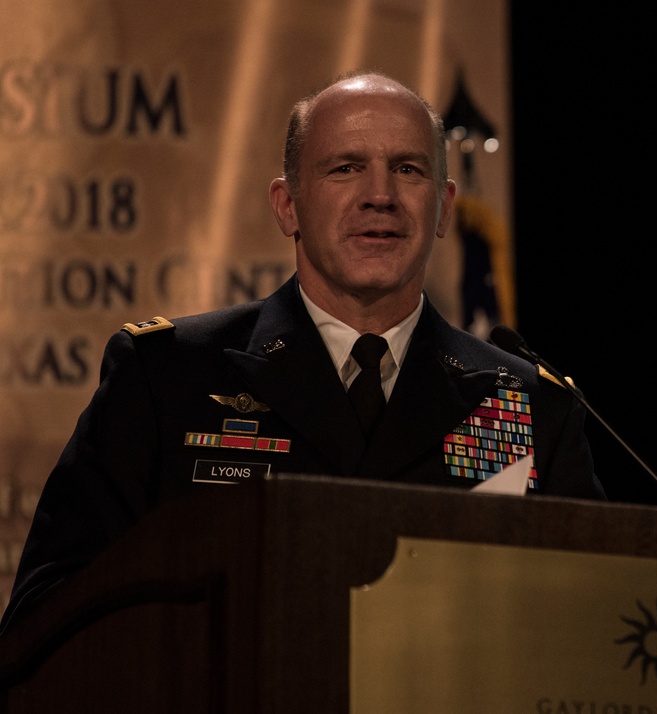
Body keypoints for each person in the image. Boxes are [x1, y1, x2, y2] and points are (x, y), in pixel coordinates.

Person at [0, 70, 606, 633]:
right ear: (287, 206)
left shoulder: (532, 407)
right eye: (345, 168)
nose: (380, 195)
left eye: (409, 170)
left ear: (444, 208)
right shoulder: (165, 378)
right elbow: (46, 613)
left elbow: (597, 619)